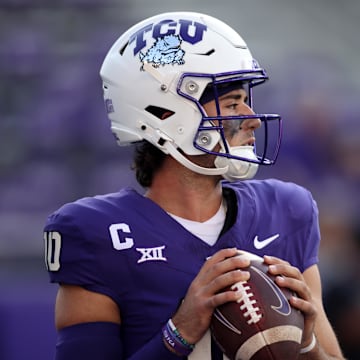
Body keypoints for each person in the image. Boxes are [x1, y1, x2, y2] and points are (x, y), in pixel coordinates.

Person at [43, 11, 345, 359]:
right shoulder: (98, 232)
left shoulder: (287, 209)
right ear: (166, 115)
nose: (251, 119)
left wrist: (307, 345)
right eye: (233, 103)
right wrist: (180, 331)